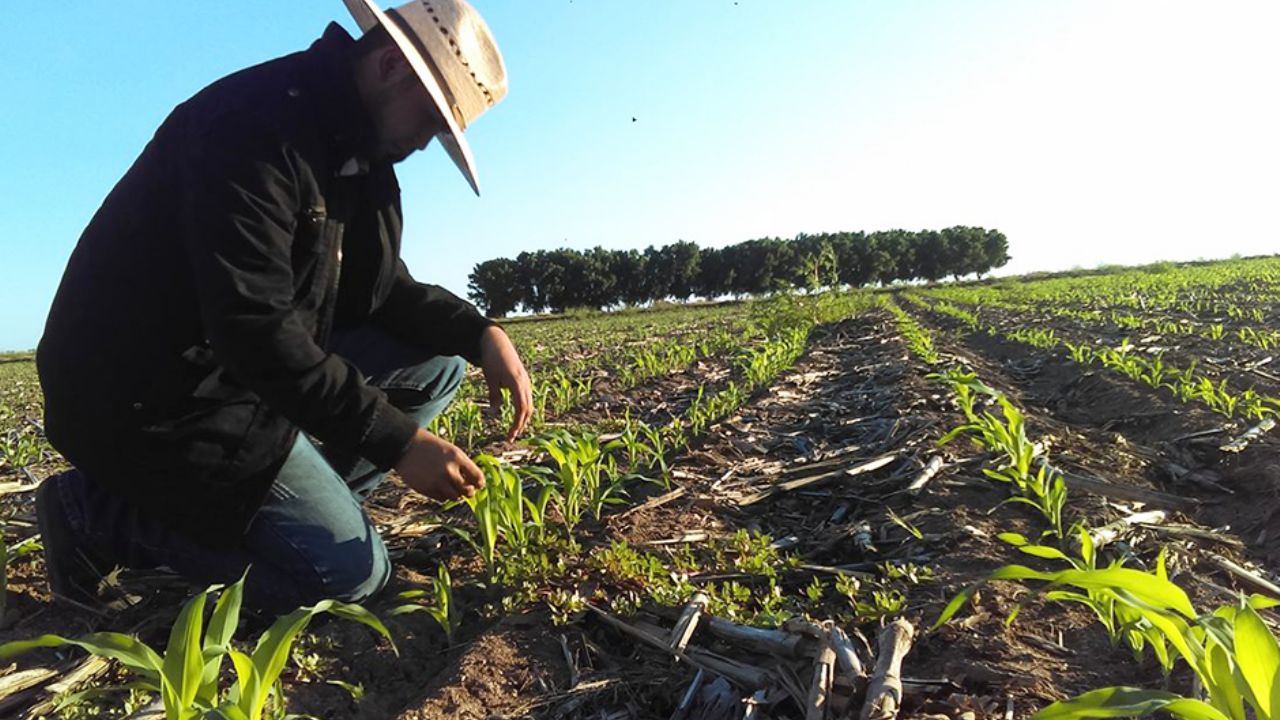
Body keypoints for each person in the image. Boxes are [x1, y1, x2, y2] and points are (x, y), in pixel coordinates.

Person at [34, 0, 531, 614]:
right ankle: (94, 514)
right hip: (149, 396)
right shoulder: (250, 129)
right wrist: (399, 444)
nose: (427, 142)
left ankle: (282, 512)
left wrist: (480, 333)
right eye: (431, 119)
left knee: (438, 366)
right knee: (345, 582)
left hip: (236, 377)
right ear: (390, 66)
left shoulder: (359, 156)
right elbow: (255, 328)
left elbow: (379, 288)